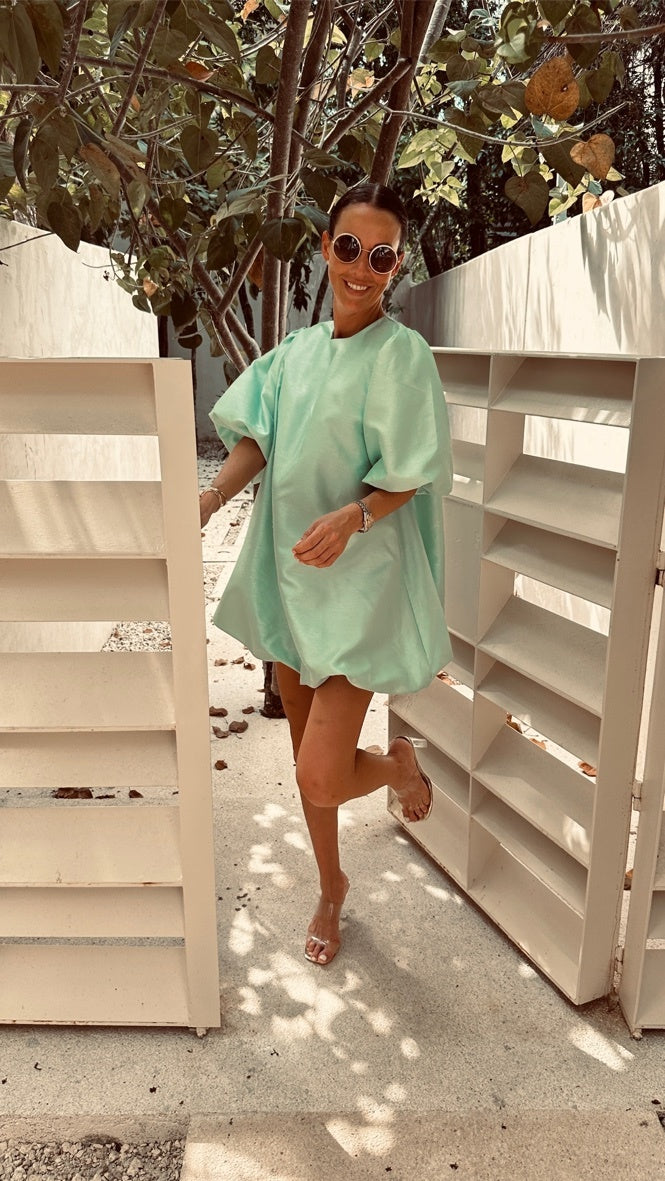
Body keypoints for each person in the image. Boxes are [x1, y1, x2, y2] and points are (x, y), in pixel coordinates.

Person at [200, 182, 452, 966]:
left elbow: (412, 471)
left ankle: (397, 767)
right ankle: (331, 886)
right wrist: (207, 499)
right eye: (348, 247)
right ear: (325, 247)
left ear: (395, 265)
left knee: (319, 774)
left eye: (380, 256)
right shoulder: (296, 353)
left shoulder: (402, 355)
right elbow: (257, 435)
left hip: (362, 586)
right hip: (291, 575)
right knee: (309, 765)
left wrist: (354, 516)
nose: (360, 268)